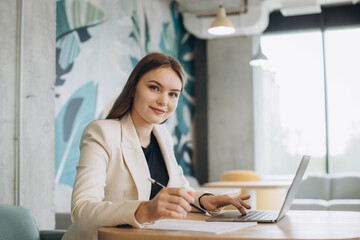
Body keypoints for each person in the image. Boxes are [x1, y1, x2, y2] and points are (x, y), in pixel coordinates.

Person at [62, 52, 251, 240]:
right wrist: (144, 210)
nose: (164, 101)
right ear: (133, 88)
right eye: (154, 88)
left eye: (173, 94)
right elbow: (82, 211)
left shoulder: (163, 136)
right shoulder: (102, 133)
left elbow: (181, 192)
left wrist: (204, 200)